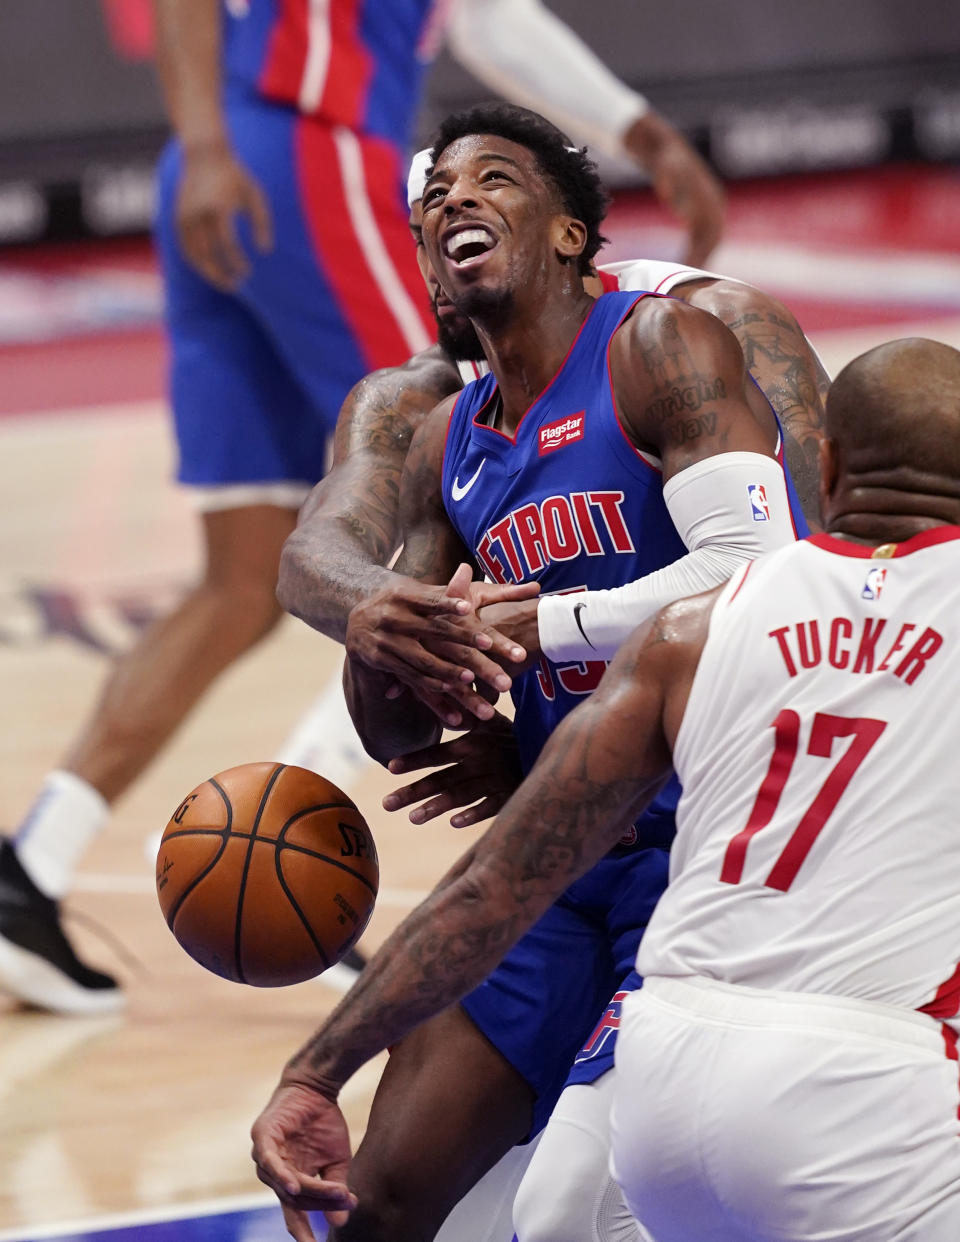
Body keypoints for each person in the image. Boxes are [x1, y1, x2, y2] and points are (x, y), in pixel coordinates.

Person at [0, 0, 726, 1015]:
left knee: (241, 582)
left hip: (227, 161)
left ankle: (31, 869)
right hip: (302, 154)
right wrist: (212, 143)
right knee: (461, 427)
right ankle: (295, 841)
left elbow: (487, 18)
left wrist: (638, 132)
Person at [251, 335, 960, 1242]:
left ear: (822, 463)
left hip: (668, 1067)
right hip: (869, 1089)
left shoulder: (694, 627)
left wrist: (315, 1071)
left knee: (557, 1216)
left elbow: (496, 881)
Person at [303, 102, 808, 1242]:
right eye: (435, 197)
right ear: (432, 273)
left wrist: (539, 627)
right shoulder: (445, 441)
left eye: (493, 180)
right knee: (372, 1206)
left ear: (573, 234)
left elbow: (766, 573)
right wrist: (399, 646)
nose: (453, 201)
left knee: (569, 1206)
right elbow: (390, 731)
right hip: (558, 851)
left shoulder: (657, 344)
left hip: (708, 844)